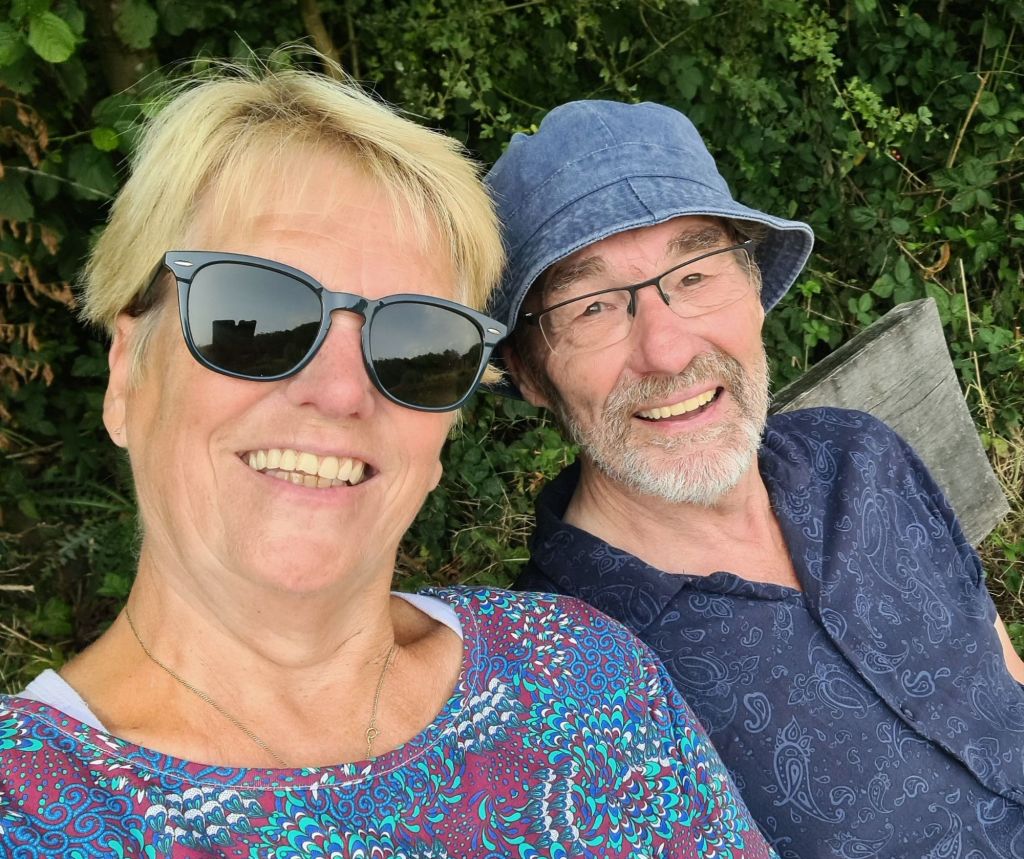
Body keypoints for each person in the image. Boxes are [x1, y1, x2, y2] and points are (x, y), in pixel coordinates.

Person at [0, 61, 779, 858]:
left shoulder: (581, 669)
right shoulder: (28, 808)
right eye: (255, 315)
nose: (342, 392)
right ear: (127, 374)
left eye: (416, 342)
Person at [486, 99, 1024, 859]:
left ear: (752, 287)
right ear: (528, 372)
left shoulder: (861, 454)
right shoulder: (555, 681)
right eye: (592, 306)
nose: (668, 351)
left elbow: (1004, 673)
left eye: (695, 273)